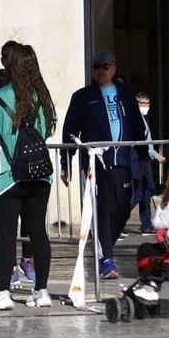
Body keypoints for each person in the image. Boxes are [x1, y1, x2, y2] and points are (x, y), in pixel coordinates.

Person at [0, 45, 57, 311]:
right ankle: (42, 291)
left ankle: (2, 293)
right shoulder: (43, 97)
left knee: (7, 235)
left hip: (8, 178)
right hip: (40, 175)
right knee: (38, 233)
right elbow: (47, 129)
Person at [60, 49, 151, 279]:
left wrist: (143, 157)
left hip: (122, 159)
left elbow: (138, 127)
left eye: (104, 66)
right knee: (101, 206)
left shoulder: (126, 93)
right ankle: (106, 259)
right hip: (95, 161)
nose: (100, 71)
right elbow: (69, 131)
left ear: (114, 67)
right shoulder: (82, 96)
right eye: (96, 67)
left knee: (123, 206)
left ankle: (104, 246)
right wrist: (65, 163)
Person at [134, 92, 164, 234]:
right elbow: (144, 145)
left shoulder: (143, 120)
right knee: (138, 193)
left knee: (146, 193)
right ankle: (118, 220)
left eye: (148, 104)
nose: (146, 107)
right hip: (141, 160)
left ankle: (146, 224)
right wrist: (155, 155)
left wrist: (155, 155)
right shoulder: (137, 121)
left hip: (146, 159)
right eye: (143, 104)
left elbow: (148, 144)